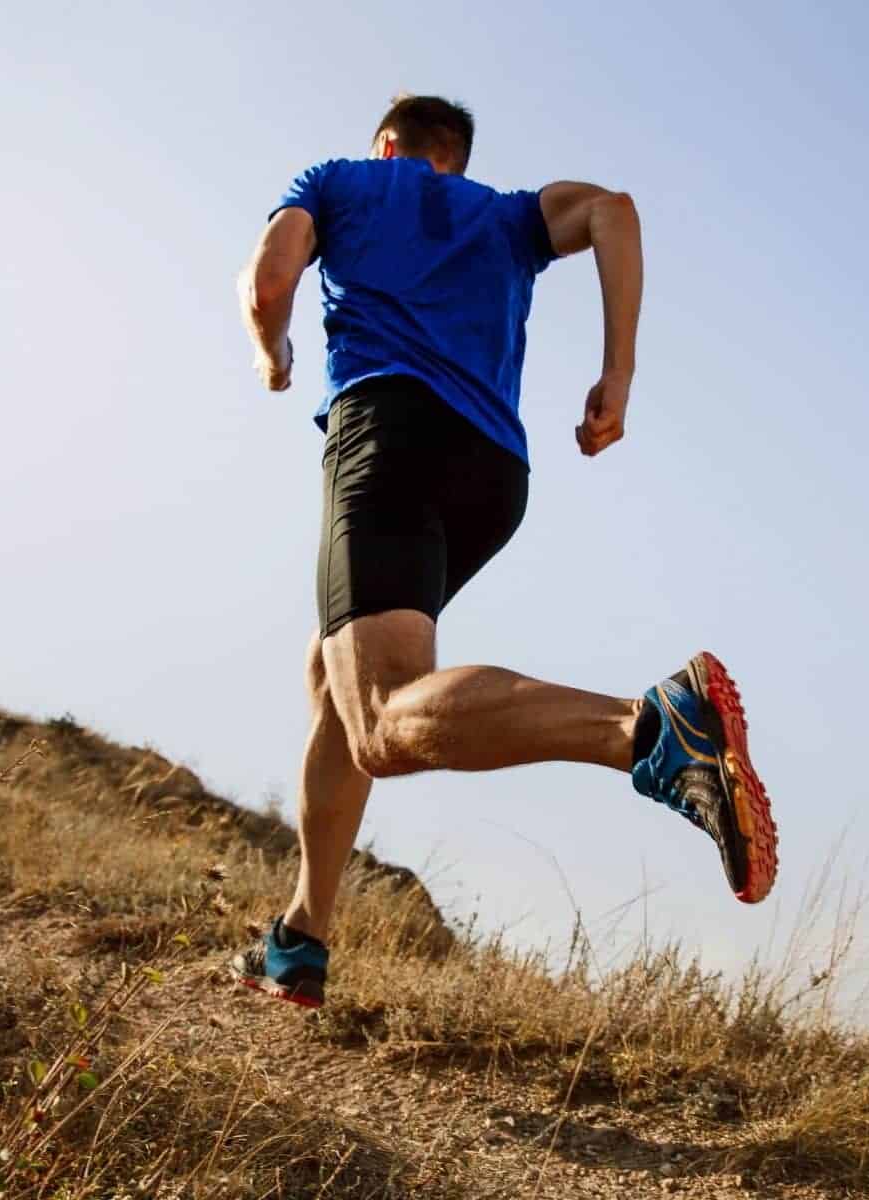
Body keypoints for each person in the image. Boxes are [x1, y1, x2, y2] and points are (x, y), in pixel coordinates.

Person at [233, 95, 778, 1008]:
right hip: (493, 472)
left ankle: (647, 730)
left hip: (389, 429)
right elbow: (616, 212)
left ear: (390, 144)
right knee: (334, 672)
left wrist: (274, 351)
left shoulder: (341, 181)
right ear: (458, 155)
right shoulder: (508, 214)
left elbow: (268, 277)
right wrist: (619, 373)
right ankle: (302, 935)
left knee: (380, 721)